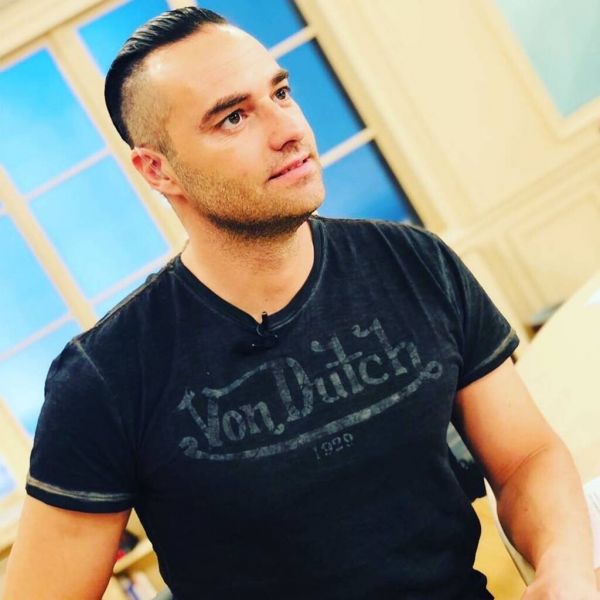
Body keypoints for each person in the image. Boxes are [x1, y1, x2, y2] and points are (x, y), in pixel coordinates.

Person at [3, 7, 598, 600]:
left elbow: (525, 458)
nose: (288, 129)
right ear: (158, 170)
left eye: (281, 93)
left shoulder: (415, 263)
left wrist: (565, 566)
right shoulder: (105, 376)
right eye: (234, 117)